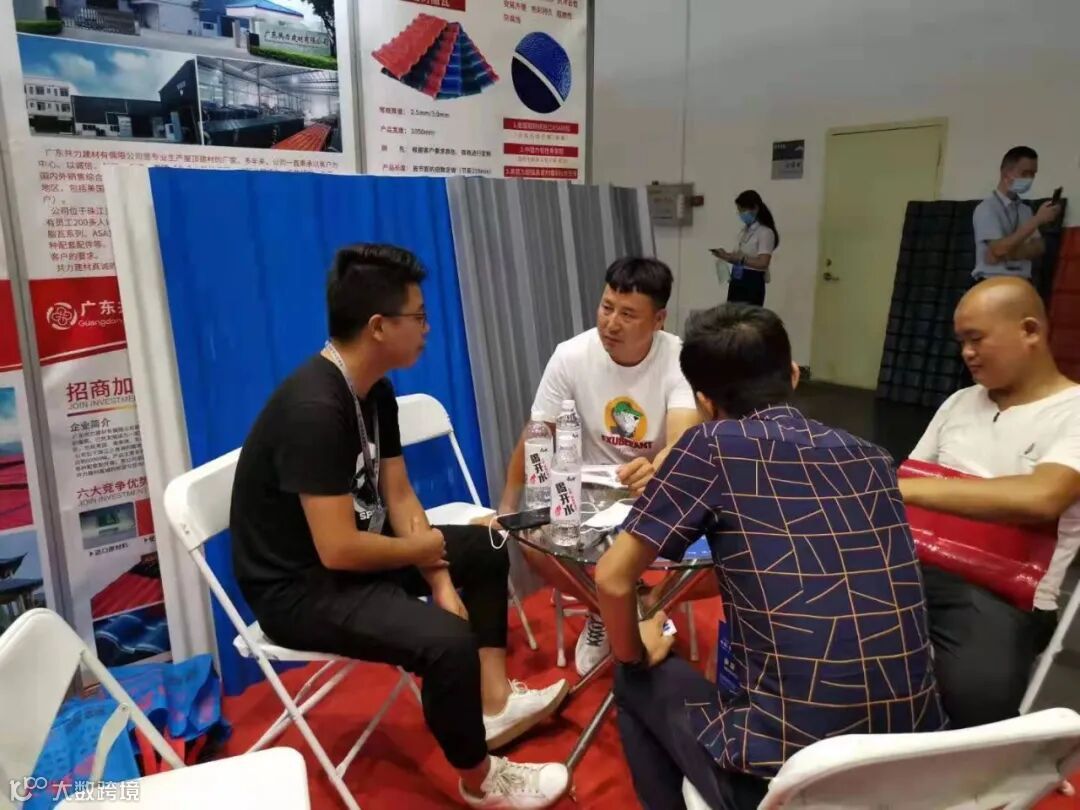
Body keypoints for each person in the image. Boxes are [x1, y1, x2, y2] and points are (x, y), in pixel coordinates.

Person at [230, 244, 570, 809]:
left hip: (352, 556)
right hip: (298, 587)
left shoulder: (374, 390)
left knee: (486, 545)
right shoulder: (314, 410)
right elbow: (338, 549)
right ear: (378, 327)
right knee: (445, 642)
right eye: (419, 316)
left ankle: (492, 704)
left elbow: (399, 493)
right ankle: (481, 780)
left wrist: (440, 579)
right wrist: (427, 554)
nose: (427, 328)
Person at [595, 303, 946, 810]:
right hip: (914, 767)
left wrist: (633, 651)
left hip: (790, 783)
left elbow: (612, 579)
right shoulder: (873, 458)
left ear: (704, 402)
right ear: (794, 375)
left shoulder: (711, 444)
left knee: (633, 677)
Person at [490, 257, 699, 676]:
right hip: (587, 494)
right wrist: (507, 507)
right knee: (530, 539)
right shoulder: (571, 355)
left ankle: (637, 604)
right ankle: (617, 609)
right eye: (606, 307)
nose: (611, 324)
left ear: (658, 319)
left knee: (716, 548)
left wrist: (657, 467)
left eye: (628, 314)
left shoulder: (678, 358)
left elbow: (684, 436)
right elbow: (538, 433)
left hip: (652, 492)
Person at [901, 277, 1080, 728]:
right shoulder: (960, 402)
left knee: (978, 698)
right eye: (961, 342)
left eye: (976, 339)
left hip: (1003, 594)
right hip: (915, 566)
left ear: (1030, 331)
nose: (967, 353)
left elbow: (1043, 497)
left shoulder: (1073, 411)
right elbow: (908, 480)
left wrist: (906, 490)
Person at [970, 146, 1062, 283]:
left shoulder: (1025, 210)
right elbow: (998, 249)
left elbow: (1038, 247)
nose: (1030, 179)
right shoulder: (986, 209)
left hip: (1021, 282)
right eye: (1025, 173)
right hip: (993, 282)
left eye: (1033, 174)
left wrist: (1007, 253)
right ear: (1006, 173)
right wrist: (1037, 220)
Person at [711, 190, 779, 306]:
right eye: (739, 210)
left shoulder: (765, 232)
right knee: (732, 314)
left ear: (755, 208)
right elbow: (739, 256)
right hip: (738, 277)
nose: (740, 214)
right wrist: (725, 256)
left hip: (752, 281)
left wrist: (742, 259)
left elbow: (763, 263)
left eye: (743, 210)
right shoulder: (745, 231)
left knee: (747, 315)